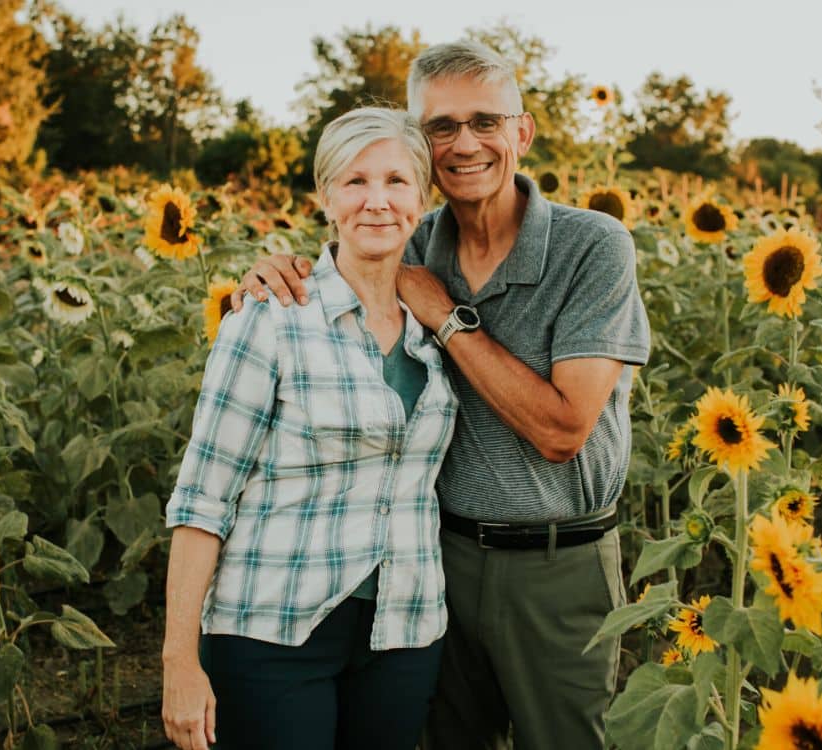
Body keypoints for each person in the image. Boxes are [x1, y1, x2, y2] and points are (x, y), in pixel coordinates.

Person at [231, 41, 651, 750]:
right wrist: (270, 273)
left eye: (485, 122)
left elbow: (562, 431)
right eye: (441, 127)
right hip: (436, 565)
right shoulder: (408, 238)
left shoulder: (592, 246)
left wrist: (446, 317)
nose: (465, 144)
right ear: (419, 145)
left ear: (521, 132)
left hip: (559, 566)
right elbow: (329, 273)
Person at [161, 107, 458, 750]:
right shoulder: (270, 317)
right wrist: (178, 663)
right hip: (272, 625)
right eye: (354, 182)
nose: (376, 202)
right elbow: (203, 497)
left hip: (403, 628)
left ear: (423, 197)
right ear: (325, 198)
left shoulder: (437, 327)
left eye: (396, 181)